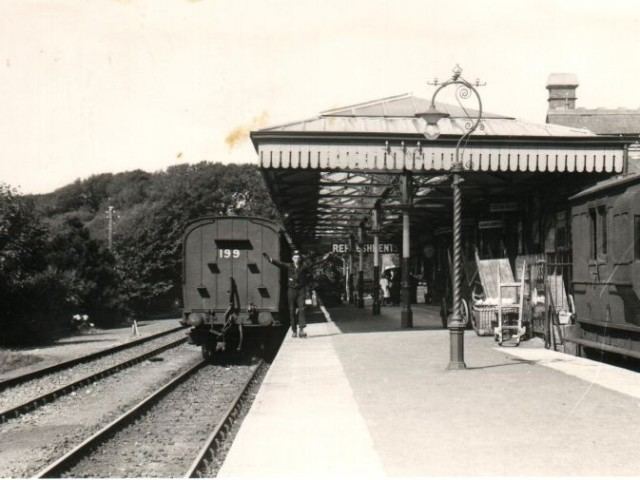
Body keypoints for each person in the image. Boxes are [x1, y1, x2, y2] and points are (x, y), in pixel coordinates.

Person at [263, 250, 330, 338]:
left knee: (302, 309)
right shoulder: (289, 266)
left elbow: (314, 263)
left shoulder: (304, 266)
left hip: (301, 290)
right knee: (291, 310)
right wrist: (269, 259)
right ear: (292, 258)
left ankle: (301, 330)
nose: (296, 259)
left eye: (298, 258)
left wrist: (324, 258)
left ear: (299, 259)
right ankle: (294, 330)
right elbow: (279, 263)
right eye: (295, 258)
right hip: (291, 290)